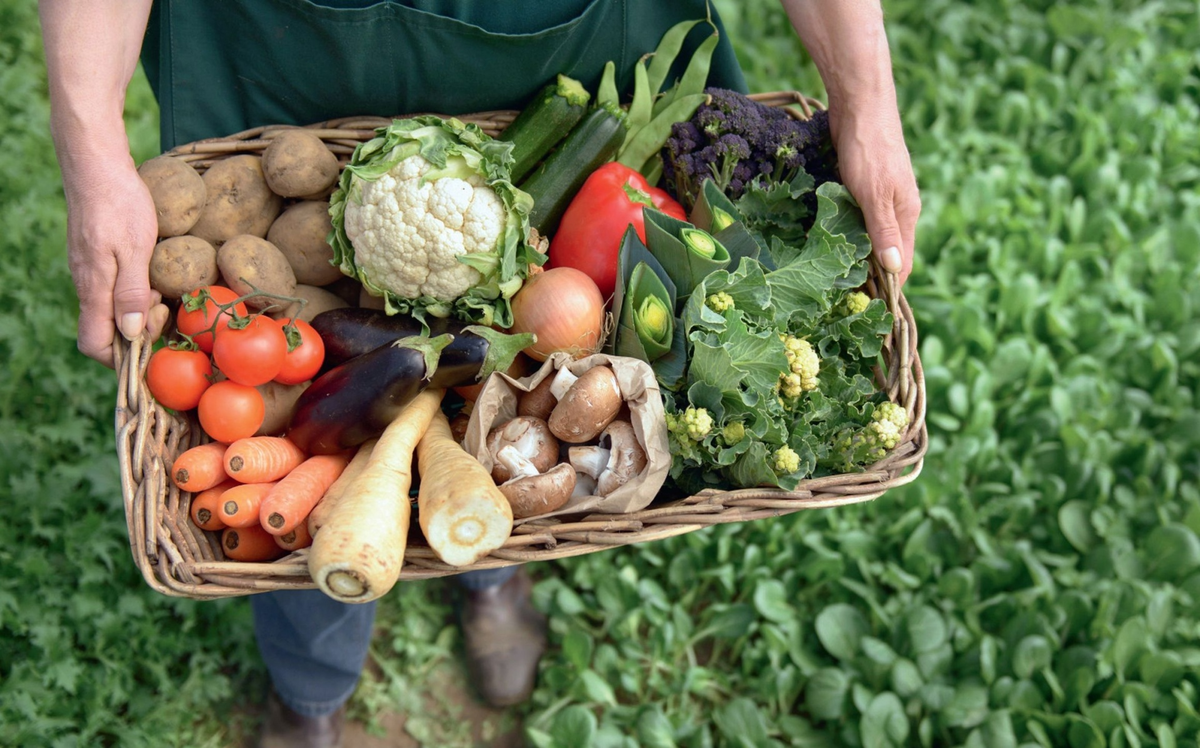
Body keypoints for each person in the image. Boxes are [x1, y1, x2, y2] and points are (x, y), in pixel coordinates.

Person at [40, 1, 920, 746]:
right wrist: (88, 145)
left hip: (559, 35)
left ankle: (490, 561)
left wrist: (868, 102)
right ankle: (313, 686)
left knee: (490, 414)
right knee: (308, 467)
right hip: (293, 49)